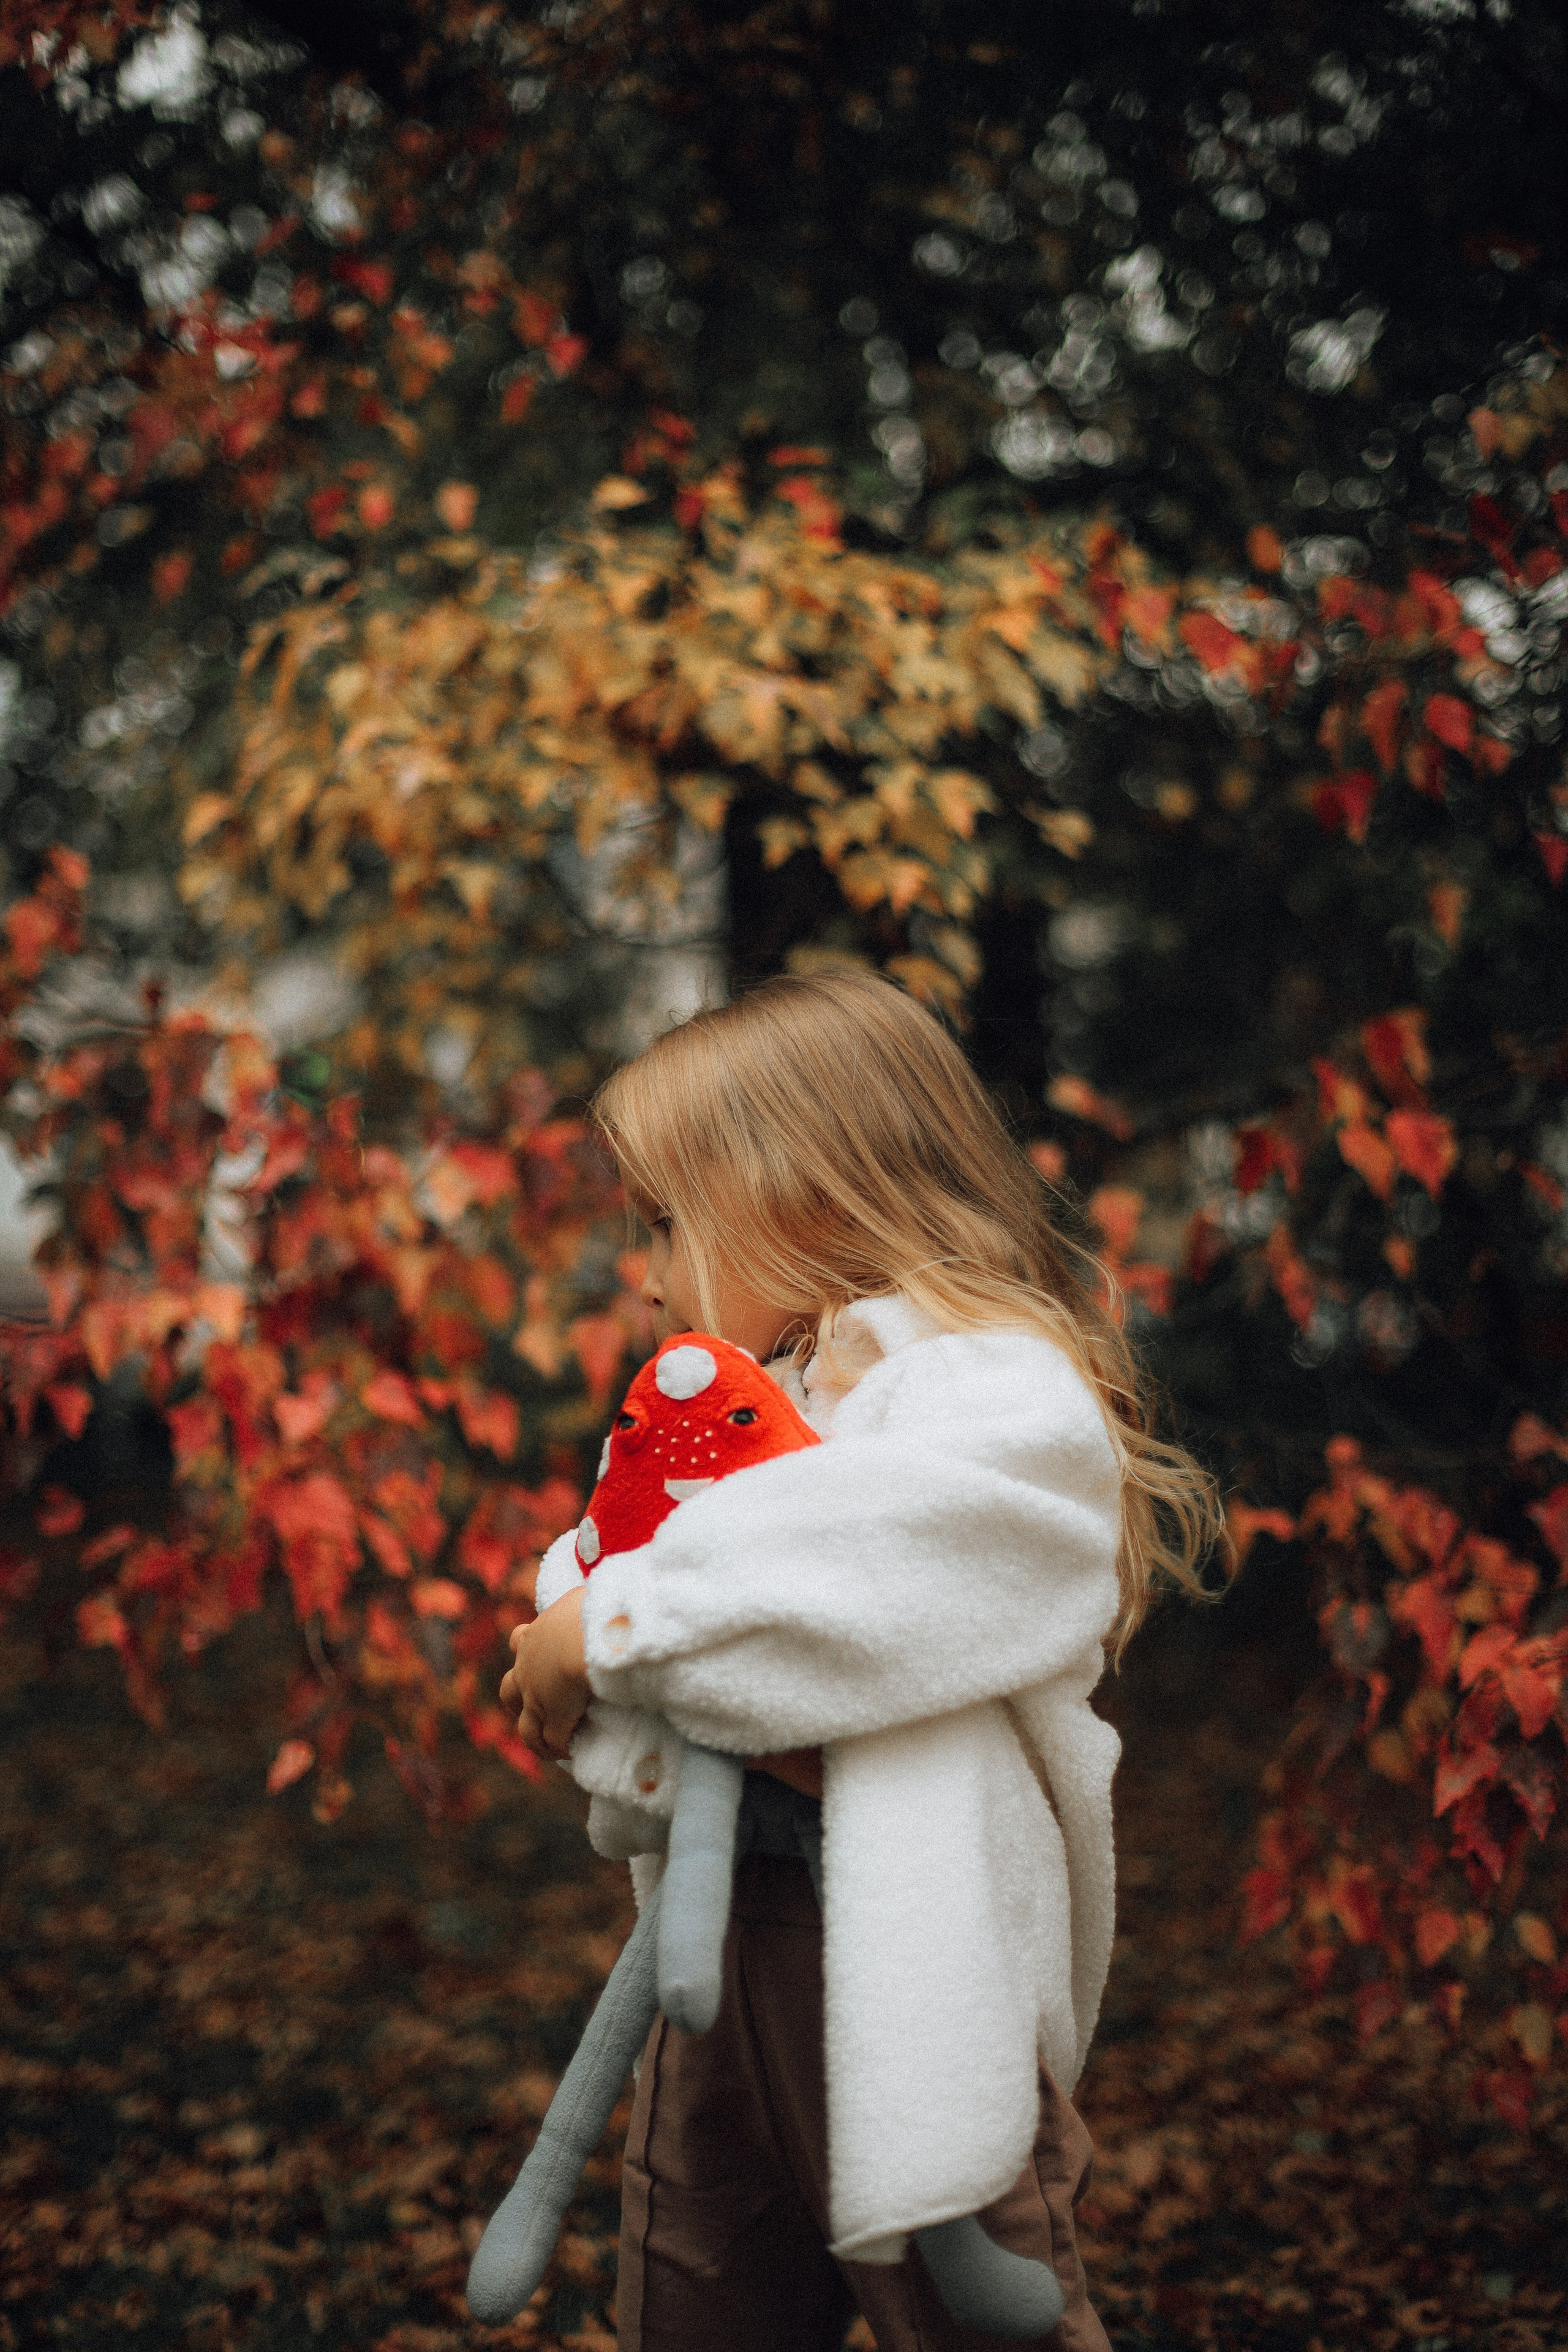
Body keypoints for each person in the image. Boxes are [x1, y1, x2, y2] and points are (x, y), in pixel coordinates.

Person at [501, 970, 1220, 2352]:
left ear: (814, 1195)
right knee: (697, 2280)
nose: (645, 1271)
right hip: (720, 1944)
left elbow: (890, 1559)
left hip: (906, 1948)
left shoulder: (978, 1383)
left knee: (972, 2305)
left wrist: (618, 1632)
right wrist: (579, 1625)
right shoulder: (743, 1405)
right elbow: (609, 1570)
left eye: (666, 1222)